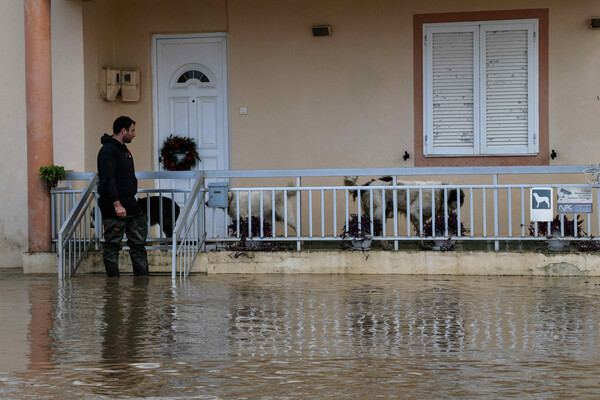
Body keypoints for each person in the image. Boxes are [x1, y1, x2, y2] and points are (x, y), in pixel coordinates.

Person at [97, 116, 149, 277]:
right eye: (132, 130)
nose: (134, 134)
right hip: (115, 206)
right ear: (123, 130)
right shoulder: (108, 150)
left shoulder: (123, 149)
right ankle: (113, 287)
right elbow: (108, 179)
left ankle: (141, 286)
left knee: (138, 244)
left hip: (131, 204)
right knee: (112, 246)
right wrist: (117, 204)